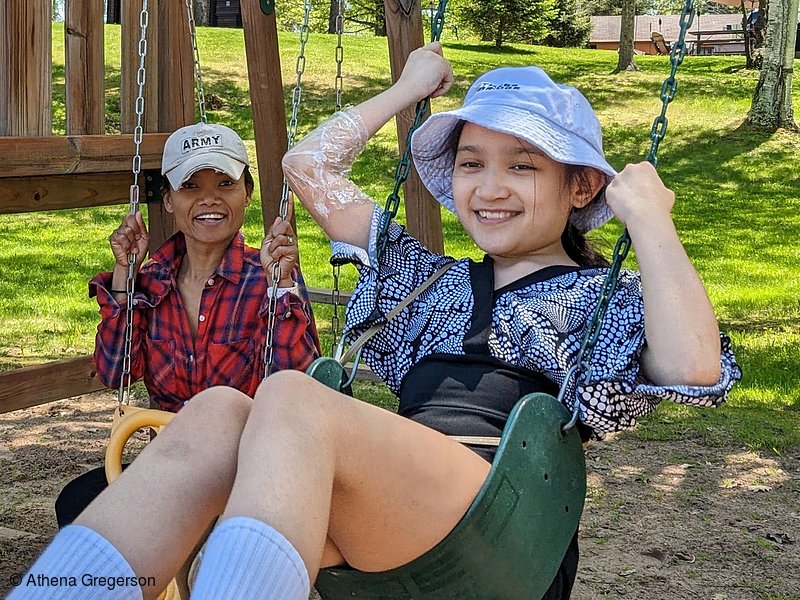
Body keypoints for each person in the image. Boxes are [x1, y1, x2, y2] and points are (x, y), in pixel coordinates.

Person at [9, 44, 740, 600]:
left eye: (523, 167)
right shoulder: (426, 280)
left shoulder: (598, 299)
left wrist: (649, 220)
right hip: (392, 510)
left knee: (290, 395)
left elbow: (692, 366)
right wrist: (410, 88)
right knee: (215, 414)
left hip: (502, 521)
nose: (488, 188)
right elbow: (307, 165)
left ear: (580, 185)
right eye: (471, 163)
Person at [54, 122, 320, 528]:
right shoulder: (152, 279)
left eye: (225, 184)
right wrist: (125, 274)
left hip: (247, 471)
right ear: (168, 200)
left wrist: (281, 289)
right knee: (78, 505)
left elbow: (294, 388)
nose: (209, 199)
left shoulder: (267, 276)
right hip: (173, 466)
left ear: (246, 193)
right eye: (191, 186)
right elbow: (116, 372)